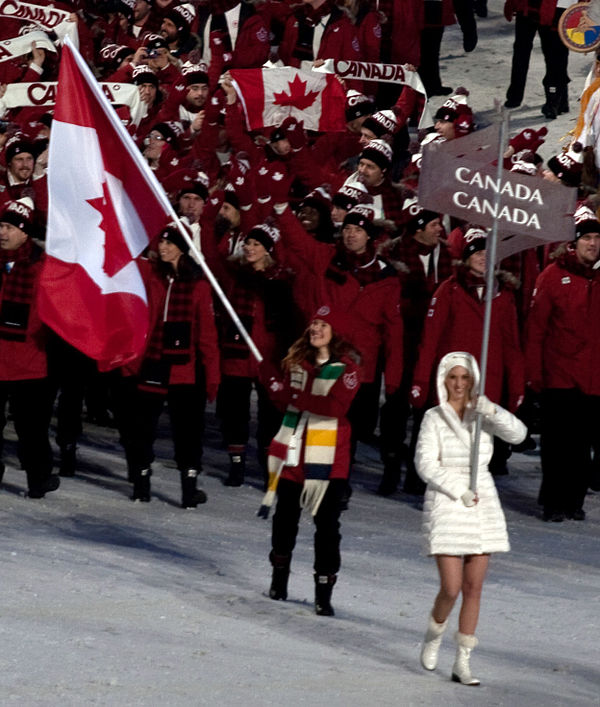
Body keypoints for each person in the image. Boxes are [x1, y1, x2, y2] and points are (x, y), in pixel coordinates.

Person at [415, 351, 527, 685]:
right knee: (451, 587)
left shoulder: (482, 414)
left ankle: (463, 660)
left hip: (482, 501)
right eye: (453, 377)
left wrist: (492, 410)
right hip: (449, 501)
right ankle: (434, 634)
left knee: (473, 587)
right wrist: (456, 488)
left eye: (465, 378)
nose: (459, 384)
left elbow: (519, 435)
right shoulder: (434, 418)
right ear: (443, 380)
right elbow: (425, 463)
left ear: (473, 381)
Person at [259, 306, 361, 616]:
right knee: (284, 523)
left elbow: (332, 407)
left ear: (336, 333)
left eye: (323, 325)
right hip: (294, 456)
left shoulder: (349, 370)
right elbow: (287, 404)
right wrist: (273, 386)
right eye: (314, 323)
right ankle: (279, 578)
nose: (315, 329)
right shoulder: (297, 364)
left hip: (329, 463)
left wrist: (290, 394)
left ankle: (323, 590)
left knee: (327, 529)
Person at [128, 224, 220, 507]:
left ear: (183, 246)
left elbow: (206, 333)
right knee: (143, 426)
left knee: (188, 430)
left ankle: (188, 488)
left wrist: (213, 374)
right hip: (154, 361)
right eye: (161, 243)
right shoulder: (154, 276)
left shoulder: (199, 284)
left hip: (185, 367)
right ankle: (141, 483)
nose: (162, 248)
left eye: (169, 243)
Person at [525, 204, 600, 522]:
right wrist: (534, 375)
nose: (593, 244)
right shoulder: (553, 276)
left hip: (593, 377)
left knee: (582, 445)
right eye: (588, 239)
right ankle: (553, 501)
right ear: (574, 242)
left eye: (597, 239)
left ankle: (574, 499)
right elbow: (536, 330)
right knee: (558, 444)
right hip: (559, 375)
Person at [0, 197, 59, 498]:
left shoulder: (43, 266)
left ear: (24, 232)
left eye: (9, 227)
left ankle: (39, 480)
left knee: (31, 431)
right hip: (0, 359)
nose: (2, 232)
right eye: (1, 225)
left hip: (31, 363)